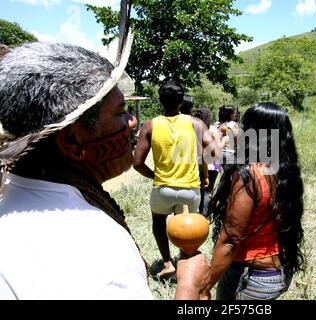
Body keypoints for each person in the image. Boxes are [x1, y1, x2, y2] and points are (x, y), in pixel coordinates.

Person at [0, 42, 210, 299]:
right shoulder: (99, 250)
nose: (133, 122)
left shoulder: (11, 192)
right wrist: (189, 288)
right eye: (121, 112)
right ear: (73, 142)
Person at [204, 102, 305, 300]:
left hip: (250, 277)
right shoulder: (285, 170)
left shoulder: (250, 174)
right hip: (281, 272)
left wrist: (204, 286)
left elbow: (231, 239)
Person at [133, 79, 218, 278]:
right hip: (190, 189)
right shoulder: (195, 123)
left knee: (158, 223)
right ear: (181, 102)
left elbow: (137, 163)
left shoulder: (150, 125)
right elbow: (213, 153)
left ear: (160, 101)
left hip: (163, 188)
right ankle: (185, 264)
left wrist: (155, 175)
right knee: (187, 228)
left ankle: (167, 263)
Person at [194, 105, 222, 215]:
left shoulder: (194, 128)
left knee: (199, 190)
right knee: (208, 191)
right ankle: (204, 215)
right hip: (212, 163)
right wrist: (224, 140)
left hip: (198, 162)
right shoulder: (212, 129)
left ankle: (197, 213)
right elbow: (218, 148)